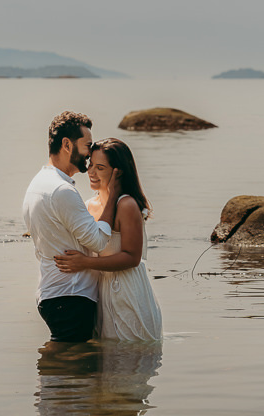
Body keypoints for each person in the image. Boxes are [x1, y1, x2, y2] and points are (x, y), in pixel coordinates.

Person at [22, 111, 119, 342]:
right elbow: (98, 240)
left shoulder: (37, 184)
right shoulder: (61, 190)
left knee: (64, 370)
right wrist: (113, 196)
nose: (89, 153)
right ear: (67, 144)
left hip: (53, 292)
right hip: (71, 296)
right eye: (87, 145)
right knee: (71, 370)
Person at [54, 138, 163, 341]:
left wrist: (84, 263)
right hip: (102, 294)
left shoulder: (127, 205)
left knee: (131, 364)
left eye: (100, 167)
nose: (91, 173)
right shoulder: (88, 205)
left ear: (117, 171)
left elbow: (132, 257)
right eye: (91, 165)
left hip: (128, 292)